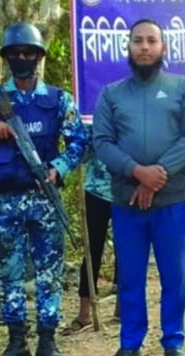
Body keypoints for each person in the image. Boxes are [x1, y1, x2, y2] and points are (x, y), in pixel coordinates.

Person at [0, 22, 88, 356]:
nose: (22, 58)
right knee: (9, 273)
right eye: (15, 53)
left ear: (40, 57)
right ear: (6, 58)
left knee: (49, 273)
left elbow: (79, 141)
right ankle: (16, 343)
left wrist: (59, 167)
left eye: (29, 52)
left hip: (44, 199)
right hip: (4, 202)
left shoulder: (58, 100)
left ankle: (47, 342)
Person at [92, 18, 185, 356]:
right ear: (128, 48)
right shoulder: (111, 95)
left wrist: (158, 175)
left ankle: (173, 341)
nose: (144, 47)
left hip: (171, 199)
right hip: (127, 201)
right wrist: (137, 173)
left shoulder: (183, 89)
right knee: (131, 275)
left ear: (163, 48)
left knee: (174, 275)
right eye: (137, 41)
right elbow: (102, 143)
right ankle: (131, 343)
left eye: (151, 41)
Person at [62, 126, 119, 335]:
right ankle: (84, 313)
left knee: (128, 250)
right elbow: (81, 152)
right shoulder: (91, 110)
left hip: (127, 188)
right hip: (96, 189)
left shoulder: (131, 104)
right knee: (91, 250)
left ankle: (122, 307)